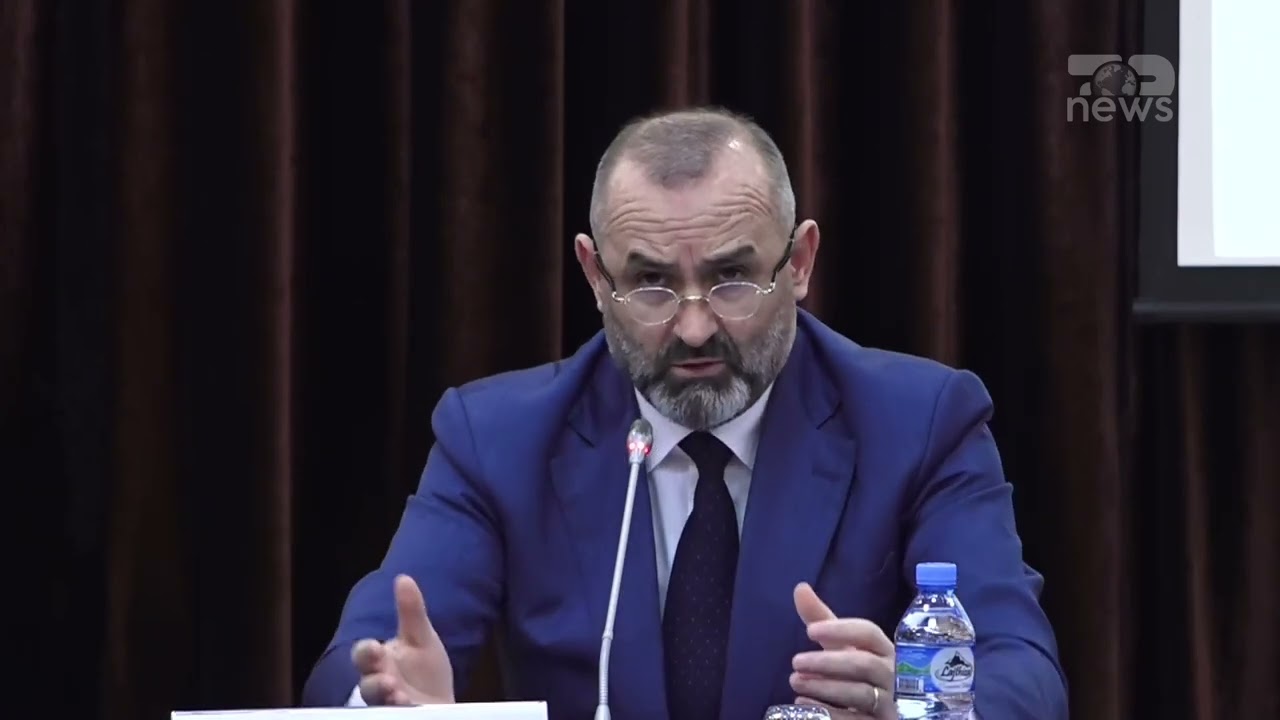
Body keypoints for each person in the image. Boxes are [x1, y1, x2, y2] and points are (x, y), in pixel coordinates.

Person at [301, 107, 1069, 720]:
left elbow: (1020, 669)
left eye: (732, 278)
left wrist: (918, 707)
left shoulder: (920, 423)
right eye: (651, 284)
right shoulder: (497, 438)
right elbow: (369, 654)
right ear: (594, 276)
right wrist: (387, 703)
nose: (695, 327)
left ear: (799, 263)